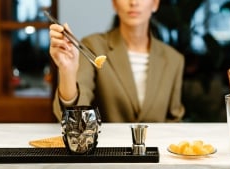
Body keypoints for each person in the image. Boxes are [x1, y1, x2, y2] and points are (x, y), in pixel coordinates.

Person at [49, 0, 185, 122]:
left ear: (155, 3)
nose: (134, 2)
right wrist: (68, 72)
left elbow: (173, 122)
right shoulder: (93, 46)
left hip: (156, 148)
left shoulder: (173, 59)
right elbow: (74, 113)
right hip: (107, 148)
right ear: (114, 3)